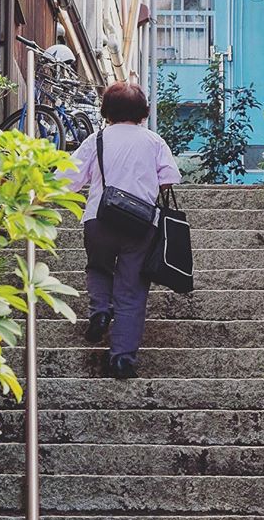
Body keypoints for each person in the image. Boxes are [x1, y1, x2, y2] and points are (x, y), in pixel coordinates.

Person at [62, 82, 181, 379]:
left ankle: (100, 310)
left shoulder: (96, 139)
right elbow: (168, 179)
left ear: (106, 111)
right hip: (140, 224)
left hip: (99, 220)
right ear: (143, 112)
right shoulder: (154, 141)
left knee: (98, 268)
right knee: (131, 290)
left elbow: (68, 180)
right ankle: (121, 359)